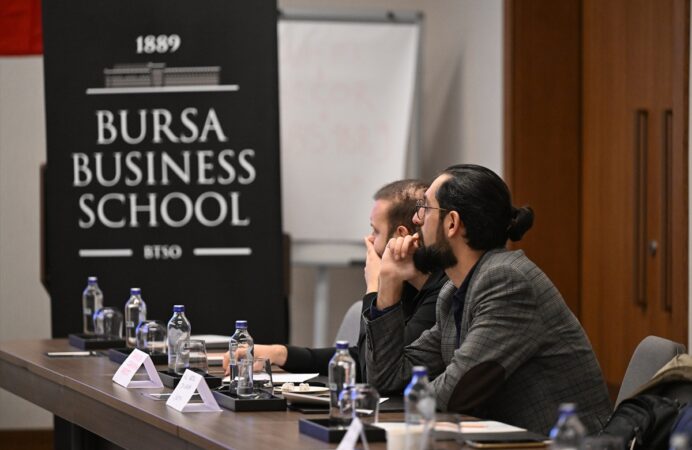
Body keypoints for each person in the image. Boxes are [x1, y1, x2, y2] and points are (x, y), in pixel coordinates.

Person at [364, 164, 612, 435]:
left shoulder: (507, 281)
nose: (416, 219)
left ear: (451, 223)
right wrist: (388, 286)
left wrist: (411, 397)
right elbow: (387, 378)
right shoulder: (453, 292)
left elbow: (452, 395)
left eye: (425, 208)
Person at [223, 179, 447, 381]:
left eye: (375, 231)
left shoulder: (442, 296)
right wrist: (280, 353)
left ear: (401, 235)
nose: (369, 240)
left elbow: (373, 368)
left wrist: (374, 287)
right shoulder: (407, 287)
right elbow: (361, 357)